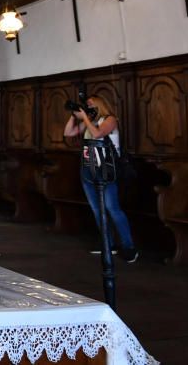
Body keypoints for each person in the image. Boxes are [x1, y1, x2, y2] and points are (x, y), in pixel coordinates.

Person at [63, 94, 139, 263]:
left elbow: (97, 134)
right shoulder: (88, 121)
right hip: (89, 169)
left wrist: (86, 118)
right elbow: (68, 133)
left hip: (106, 170)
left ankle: (129, 247)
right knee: (97, 209)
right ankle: (108, 244)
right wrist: (74, 115)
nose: (89, 108)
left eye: (91, 105)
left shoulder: (110, 120)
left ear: (99, 104)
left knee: (112, 208)